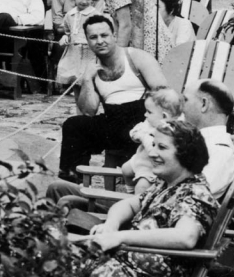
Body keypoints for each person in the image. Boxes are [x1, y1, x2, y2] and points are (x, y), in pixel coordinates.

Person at [79, 119, 217, 277]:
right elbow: (127, 205)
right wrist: (112, 225)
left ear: (186, 153)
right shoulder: (166, 184)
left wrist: (121, 236)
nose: (152, 153)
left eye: (162, 147)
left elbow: (186, 237)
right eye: (153, 145)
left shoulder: (194, 194)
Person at [57, 15, 166, 181]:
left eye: (104, 35)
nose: (99, 41)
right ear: (87, 40)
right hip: (113, 120)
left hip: (141, 118)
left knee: (132, 129)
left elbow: (163, 93)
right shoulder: (92, 69)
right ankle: (72, 183)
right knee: (74, 125)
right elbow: (89, 111)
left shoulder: (136, 57)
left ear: (114, 36)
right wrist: (87, 80)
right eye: (93, 37)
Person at [52, 0, 108, 85]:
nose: (84, 1)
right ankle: (77, 101)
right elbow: (68, 31)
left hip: (89, 53)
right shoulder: (70, 14)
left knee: (88, 82)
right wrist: (65, 37)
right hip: (73, 53)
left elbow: (100, 33)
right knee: (75, 82)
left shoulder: (95, 15)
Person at [185, 80, 234, 192]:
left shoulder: (219, 152)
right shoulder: (208, 143)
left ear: (204, 104)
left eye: (185, 100)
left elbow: (194, 194)